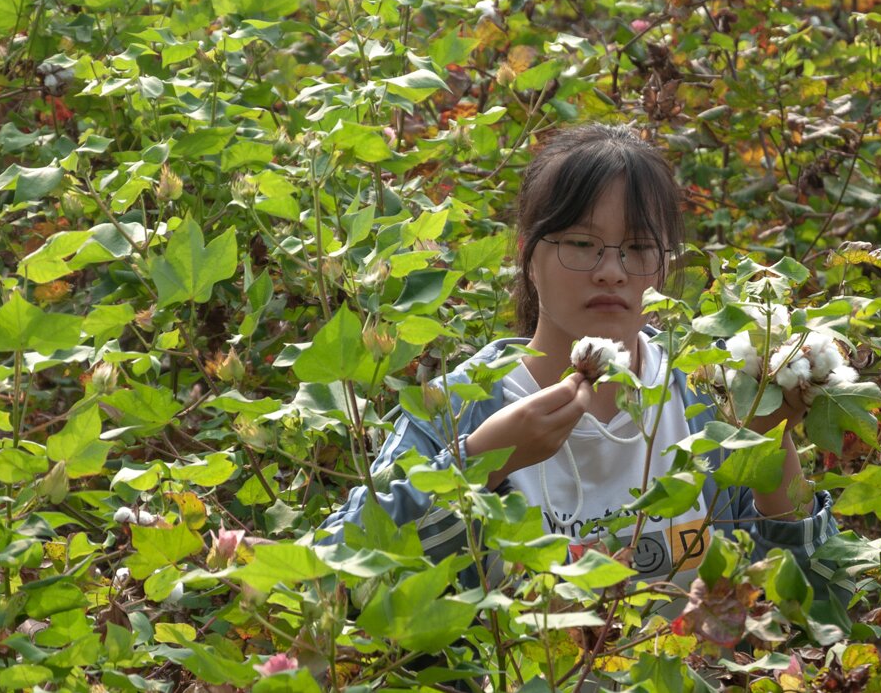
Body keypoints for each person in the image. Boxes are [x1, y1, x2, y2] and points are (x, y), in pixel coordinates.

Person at [319, 123, 848, 603]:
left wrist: (769, 448)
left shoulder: (706, 398)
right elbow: (334, 576)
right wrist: (484, 459)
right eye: (581, 244)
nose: (612, 272)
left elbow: (823, 602)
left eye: (638, 249)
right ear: (528, 255)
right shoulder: (464, 409)